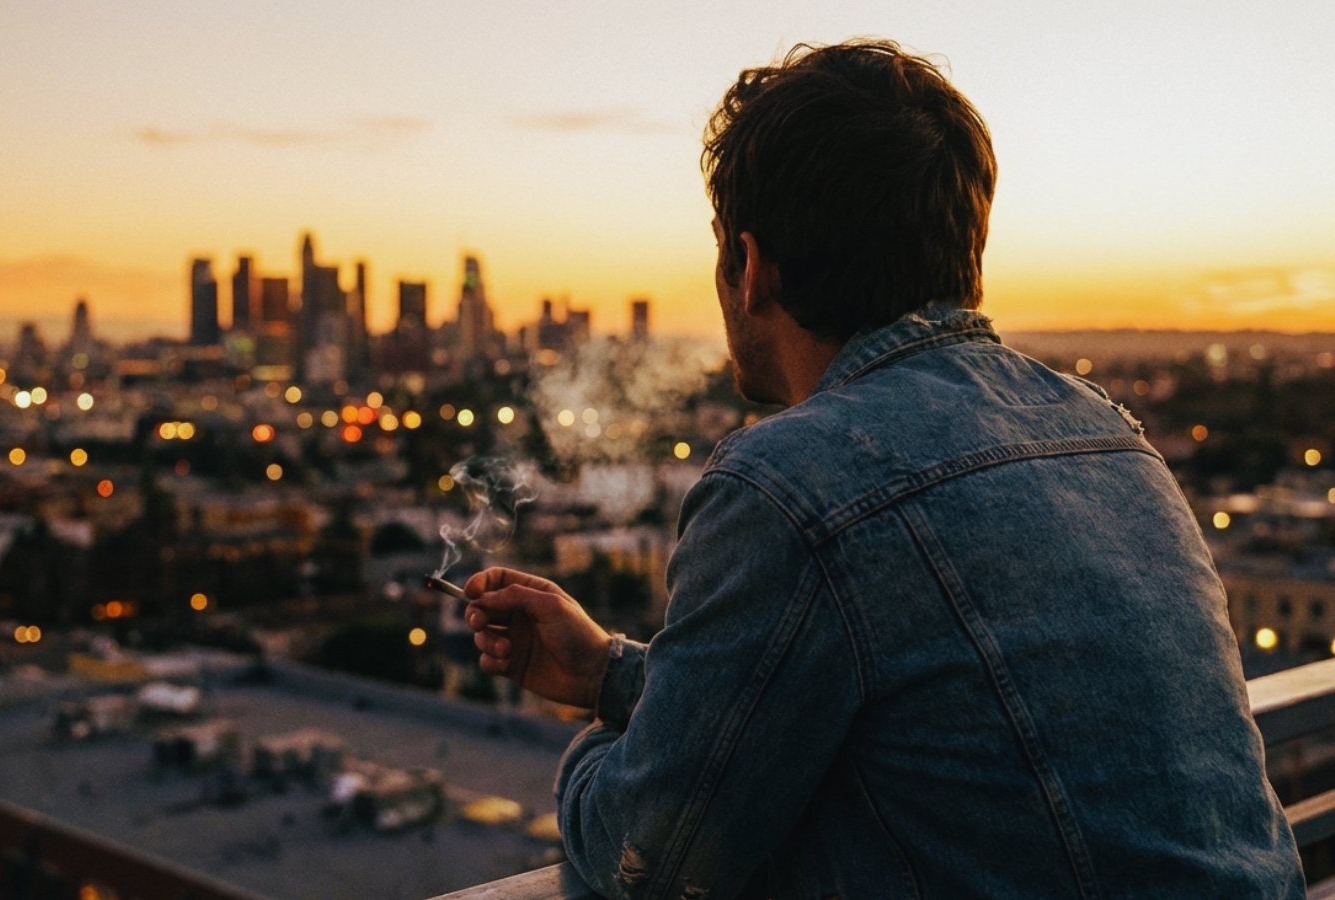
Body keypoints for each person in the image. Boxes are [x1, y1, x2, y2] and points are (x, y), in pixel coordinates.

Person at [463, 40, 1305, 900]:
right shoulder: (1110, 439)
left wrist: (594, 759)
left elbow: (645, 857)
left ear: (749, 267)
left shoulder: (789, 483)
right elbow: (930, 722)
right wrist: (610, 673)